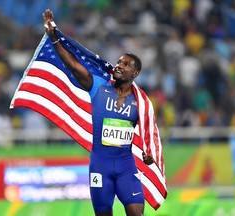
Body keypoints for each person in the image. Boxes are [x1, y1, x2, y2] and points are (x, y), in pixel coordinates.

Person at [43, 9, 156, 216]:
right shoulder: (99, 87)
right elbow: (74, 65)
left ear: (135, 73)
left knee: (136, 214)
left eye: (125, 64)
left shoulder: (141, 102)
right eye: (119, 62)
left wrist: (149, 153)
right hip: (100, 166)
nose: (119, 65)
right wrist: (53, 37)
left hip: (125, 166)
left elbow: (149, 131)